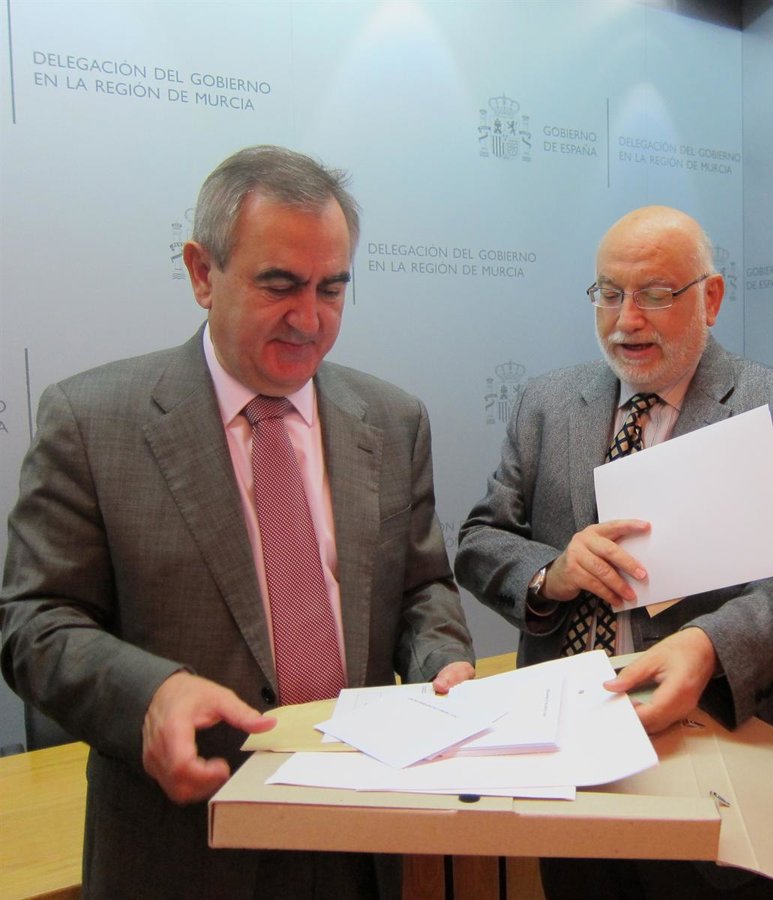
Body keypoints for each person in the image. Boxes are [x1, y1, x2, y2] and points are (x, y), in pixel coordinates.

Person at [0, 145, 476, 898]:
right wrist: (151, 694)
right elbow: (33, 621)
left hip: (362, 835)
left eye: (332, 288)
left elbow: (421, 587)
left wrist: (440, 661)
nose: (309, 320)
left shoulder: (391, 419)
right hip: (183, 846)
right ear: (201, 272)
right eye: (279, 285)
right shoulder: (91, 422)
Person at [455, 205, 773, 899]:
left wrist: (707, 647)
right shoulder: (546, 404)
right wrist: (552, 573)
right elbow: (481, 538)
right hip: (576, 762)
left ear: (712, 297)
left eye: (656, 294)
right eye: (609, 294)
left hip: (729, 756)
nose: (627, 320)